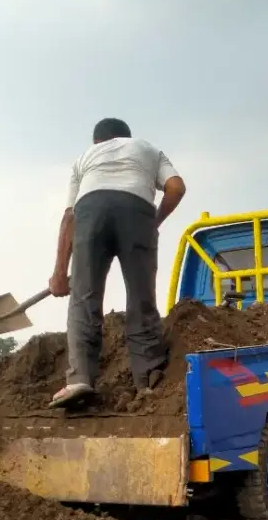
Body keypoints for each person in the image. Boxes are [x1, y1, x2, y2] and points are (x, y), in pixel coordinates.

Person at [47, 118, 186, 408]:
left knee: (84, 299)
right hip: (137, 212)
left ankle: (80, 380)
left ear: (98, 142)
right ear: (126, 137)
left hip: (90, 211)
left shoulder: (84, 158)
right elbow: (176, 188)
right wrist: (154, 222)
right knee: (141, 297)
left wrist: (60, 272)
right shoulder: (146, 148)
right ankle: (147, 377)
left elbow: (69, 217)